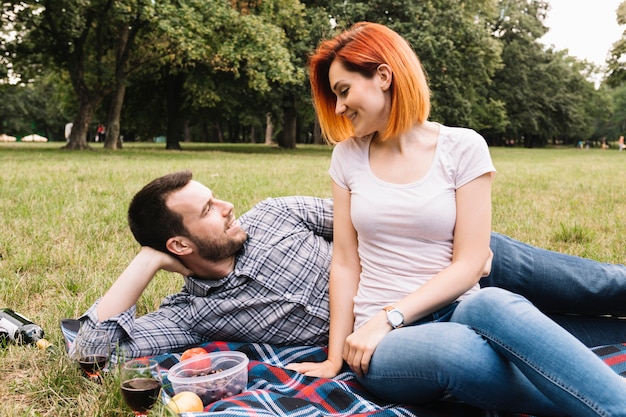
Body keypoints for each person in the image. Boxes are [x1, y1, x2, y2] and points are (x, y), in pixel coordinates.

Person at [285, 22, 626, 416]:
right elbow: (344, 263)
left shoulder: (463, 147)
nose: (339, 107)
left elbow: (470, 263)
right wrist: (336, 356)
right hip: (383, 340)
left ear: (382, 76)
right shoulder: (347, 157)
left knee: (495, 301)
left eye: (343, 91)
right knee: (456, 349)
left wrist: (391, 316)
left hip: (453, 308)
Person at [74, 170, 626, 365]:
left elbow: (373, 219)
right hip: (439, 321)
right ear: (180, 243)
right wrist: (145, 261)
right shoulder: (195, 315)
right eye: (208, 211)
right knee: (591, 343)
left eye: (216, 197)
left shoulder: (274, 215)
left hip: (470, 262)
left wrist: (468, 253)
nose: (226, 207)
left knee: (604, 284)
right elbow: (90, 347)